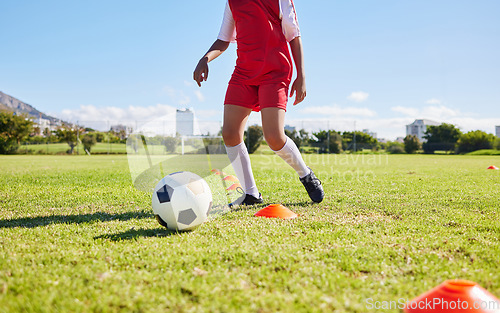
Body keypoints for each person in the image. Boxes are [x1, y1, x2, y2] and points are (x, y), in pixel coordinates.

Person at [193, 0, 324, 205]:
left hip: (275, 71)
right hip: (244, 73)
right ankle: (251, 194)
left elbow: (293, 35)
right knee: (230, 133)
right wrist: (205, 59)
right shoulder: (232, 3)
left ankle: (305, 174)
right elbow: (223, 40)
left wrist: (302, 75)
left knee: (273, 137)